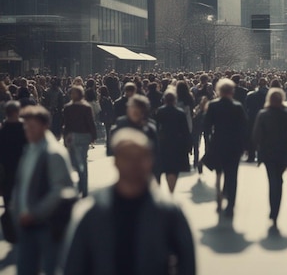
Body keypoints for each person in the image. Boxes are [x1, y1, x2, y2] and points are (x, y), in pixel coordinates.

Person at [58, 128, 195, 275]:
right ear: (116, 161)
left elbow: (187, 263)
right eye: (127, 157)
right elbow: (74, 264)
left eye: (141, 157)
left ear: (150, 160)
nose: (134, 164)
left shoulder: (169, 212)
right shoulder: (93, 211)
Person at [13, 105, 75, 275]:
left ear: (45, 126)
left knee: (51, 268)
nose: (27, 130)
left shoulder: (53, 153)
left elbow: (60, 190)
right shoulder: (30, 149)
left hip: (47, 225)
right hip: (26, 223)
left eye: (32, 127)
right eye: (25, 126)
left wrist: (35, 213)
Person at [252, 88, 287, 228]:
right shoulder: (285, 114)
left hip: (267, 151)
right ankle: (276, 209)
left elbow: (256, 135)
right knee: (279, 180)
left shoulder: (263, 114)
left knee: (272, 180)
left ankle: (273, 210)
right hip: (283, 151)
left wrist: (258, 146)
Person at [204, 79, 248, 218]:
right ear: (232, 91)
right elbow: (244, 127)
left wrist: (209, 141)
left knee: (218, 173)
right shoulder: (237, 106)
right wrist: (245, 146)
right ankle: (231, 204)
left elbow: (206, 125)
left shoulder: (213, 106)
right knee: (232, 175)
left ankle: (218, 197)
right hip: (234, 145)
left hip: (218, 143)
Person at [155, 90, 192, 193]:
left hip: (163, 142)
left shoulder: (160, 111)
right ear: (175, 100)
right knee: (174, 169)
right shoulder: (180, 113)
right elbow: (185, 130)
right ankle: (171, 190)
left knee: (164, 167)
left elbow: (156, 128)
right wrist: (189, 145)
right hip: (177, 143)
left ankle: (163, 188)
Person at [62, 86, 97, 197]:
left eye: (74, 93)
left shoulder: (85, 107)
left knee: (81, 161)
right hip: (74, 136)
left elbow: (90, 122)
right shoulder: (68, 108)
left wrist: (93, 135)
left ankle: (83, 188)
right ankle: (82, 184)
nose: (72, 95)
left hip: (82, 136)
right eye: (71, 93)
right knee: (76, 162)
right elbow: (66, 124)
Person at [0, 101, 27, 208]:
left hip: (6, 166)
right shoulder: (25, 129)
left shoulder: (3, 130)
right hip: (23, 164)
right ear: (18, 112)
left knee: (8, 192)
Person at [245, 78, 269, 163]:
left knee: (252, 137)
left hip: (252, 117)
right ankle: (262, 156)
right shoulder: (270, 95)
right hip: (265, 118)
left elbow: (246, 107)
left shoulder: (251, 95)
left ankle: (251, 156)